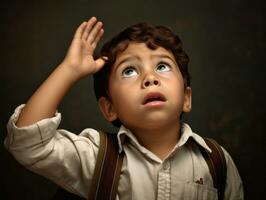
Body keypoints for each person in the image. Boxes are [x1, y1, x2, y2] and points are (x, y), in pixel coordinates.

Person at [4, 16, 243, 199]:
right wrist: (69, 70)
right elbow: (27, 142)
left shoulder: (217, 163)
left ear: (186, 98)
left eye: (162, 66)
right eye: (129, 71)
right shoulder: (95, 158)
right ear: (109, 108)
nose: (149, 78)